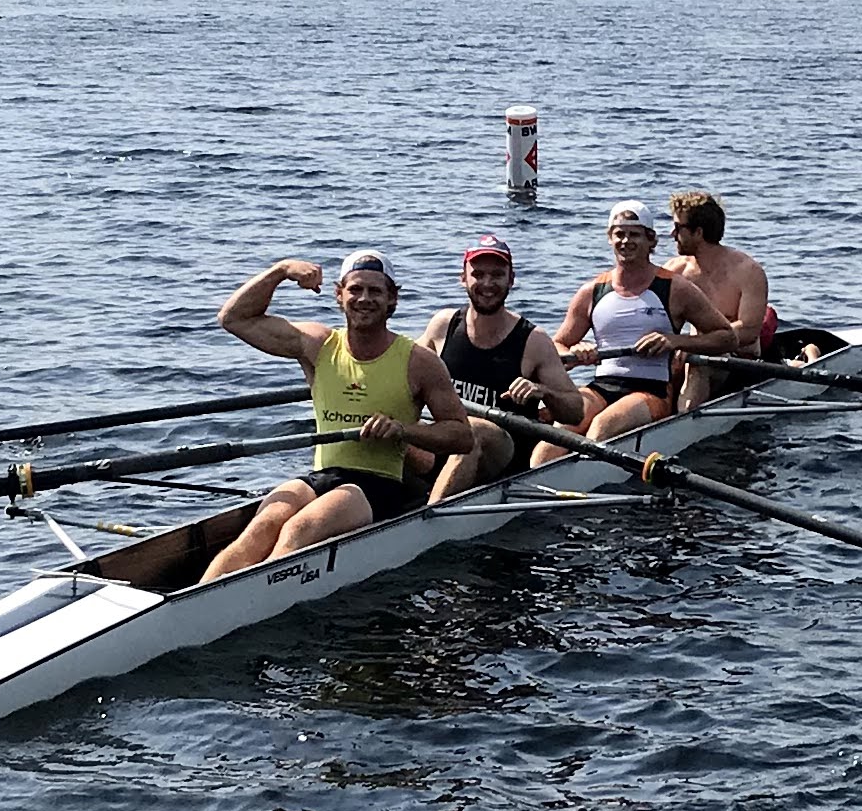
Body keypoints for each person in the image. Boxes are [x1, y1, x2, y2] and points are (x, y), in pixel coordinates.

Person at [203, 251, 479, 577]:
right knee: (260, 528)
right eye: (355, 289)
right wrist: (281, 270)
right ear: (339, 295)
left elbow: (462, 436)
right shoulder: (317, 344)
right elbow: (234, 319)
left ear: (392, 299)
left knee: (299, 529)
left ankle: (248, 595)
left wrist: (403, 430)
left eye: (375, 291)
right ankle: (200, 599)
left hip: (380, 486)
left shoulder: (419, 362)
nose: (364, 299)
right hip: (323, 474)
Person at [417, 236, 586, 497]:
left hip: (503, 455)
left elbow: (575, 411)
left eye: (497, 275)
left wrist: (543, 391)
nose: (487, 283)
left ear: (511, 280)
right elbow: (404, 377)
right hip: (449, 442)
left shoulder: (533, 341)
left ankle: (430, 514)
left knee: (474, 430)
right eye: (478, 274)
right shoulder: (443, 325)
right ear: (463, 278)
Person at [550, 203, 727, 448]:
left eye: (634, 234)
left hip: (652, 391)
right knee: (556, 434)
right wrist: (575, 352)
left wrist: (675, 341)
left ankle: (584, 468)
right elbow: (556, 345)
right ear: (610, 239)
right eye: (619, 234)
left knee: (603, 426)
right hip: (601, 386)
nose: (626, 241)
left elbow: (726, 337)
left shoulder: (676, 288)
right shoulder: (592, 291)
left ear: (651, 240)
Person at [665, 189, 774, 387]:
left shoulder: (748, 272)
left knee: (699, 366)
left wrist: (689, 345)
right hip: (691, 354)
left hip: (741, 361)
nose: (672, 234)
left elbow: (749, 331)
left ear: (698, 233)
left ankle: (687, 407)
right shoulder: (675, 271)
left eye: (678, 228)